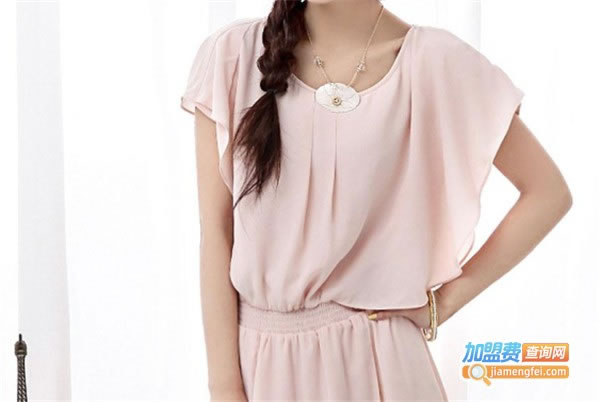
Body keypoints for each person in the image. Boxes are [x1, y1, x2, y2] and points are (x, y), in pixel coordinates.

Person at [180, 0, 572, 400]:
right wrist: (224, 388)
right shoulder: (233, 54)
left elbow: (548, 193)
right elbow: (216, 233)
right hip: (260, 367)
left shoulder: (434, 61)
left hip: (384, 366)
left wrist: (443, 304)